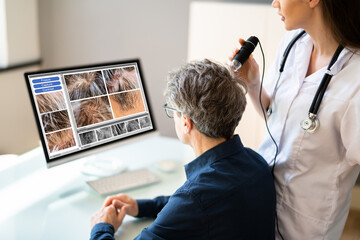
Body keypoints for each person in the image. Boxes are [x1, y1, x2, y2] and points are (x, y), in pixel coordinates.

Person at [90, 59, 276, 240]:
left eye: (173, 111)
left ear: (186, 122)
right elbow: (200, 205)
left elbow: (192, 204)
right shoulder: (256, 162)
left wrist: (101, 227)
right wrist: (142, 207)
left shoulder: (194, 199)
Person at [231, 0, 360, 239]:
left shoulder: (355, 80)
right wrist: (252, 82)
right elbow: (274, 116)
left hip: (304, 226)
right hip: (260, 205)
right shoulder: (293, 44)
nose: (274, 3)